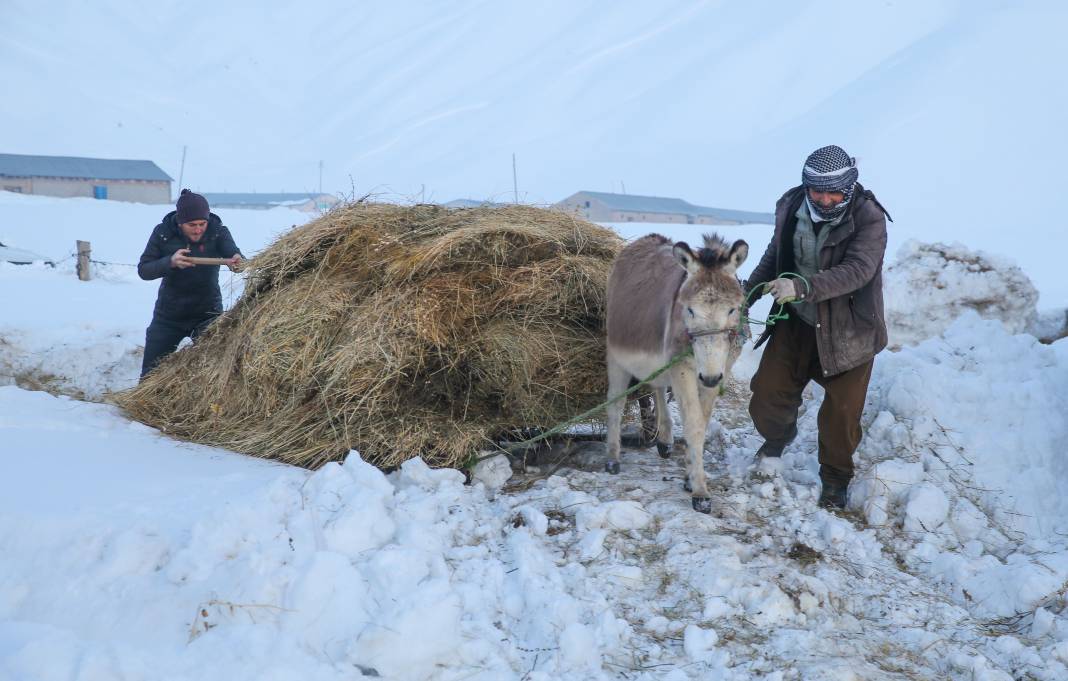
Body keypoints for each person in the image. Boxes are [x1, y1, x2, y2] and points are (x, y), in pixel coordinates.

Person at [745, 145, 891, 509]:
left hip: (849, 330)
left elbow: (859, 270)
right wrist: (746, 294)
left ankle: (836, 478)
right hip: (797, 322)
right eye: (816, 191)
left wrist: (804, 287)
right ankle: (778, 439)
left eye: (833, 192)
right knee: (766, 393)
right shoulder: (792, 204)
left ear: (848, 187)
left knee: (841, 414)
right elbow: (775, 254)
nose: (824, 200)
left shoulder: (868, 217)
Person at [137, 189, 243, 378]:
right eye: (192, 225)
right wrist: (169, 262)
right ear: (180, 221)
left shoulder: (218, 232)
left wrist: (237, 260)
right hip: (169, 315)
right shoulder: (163, 233)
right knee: (150, 375)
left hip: (208, 314)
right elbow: (144, 270)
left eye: (202, 223)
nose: (198, 229)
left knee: (214, 372)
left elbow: (234, 255)